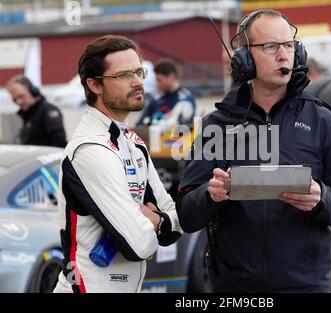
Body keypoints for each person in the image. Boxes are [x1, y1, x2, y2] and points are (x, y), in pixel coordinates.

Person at [176, 9, 331, 292]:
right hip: (234, 287)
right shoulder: (215, 126)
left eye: (289, 45)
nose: (283, 55)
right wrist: (211, 194)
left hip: (305, 286)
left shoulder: (323, 122)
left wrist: (322, 198)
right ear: (244, 59)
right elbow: (187, 215)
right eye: (270, 46)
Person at [53, 35, 182, 293]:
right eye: (124, 75)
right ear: (95, 85)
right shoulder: (89, 149)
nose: (138, 82)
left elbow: (175, 221)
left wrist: (158, 222)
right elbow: (139, 245)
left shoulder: (133, 142)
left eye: (139, 71)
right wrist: (158, 222)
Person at [135, 60, 196, 133]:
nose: (157, 84)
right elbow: (139, 125)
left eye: (159, 80)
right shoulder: (157, 99)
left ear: (171, 77)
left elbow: (181, 127)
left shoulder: (185, 99)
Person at [6, 75, 66, 147]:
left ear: (33, 91)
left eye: (21, 96)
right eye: (15, 99)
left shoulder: (48, 111)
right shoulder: (27, 115)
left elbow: (59, 141)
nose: (19, 101)